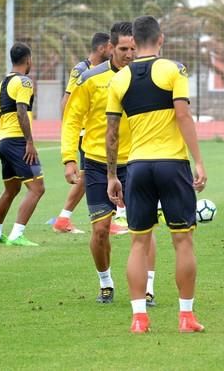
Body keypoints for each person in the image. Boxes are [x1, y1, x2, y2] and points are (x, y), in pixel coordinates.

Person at [106, 15, 207, 333]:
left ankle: (139, 319)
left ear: (134, 43)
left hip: (136, 167)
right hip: (171, 164)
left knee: (138, 243)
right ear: (160, 39)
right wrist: (199, 161)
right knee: (182, 240)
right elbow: (183, 114)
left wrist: (112, 175)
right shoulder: (173, 70)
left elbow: (112, 133)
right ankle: (186, 317)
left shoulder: (119, 79)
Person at [61, 22, 157, 306]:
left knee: (143, 228)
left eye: (133, 48)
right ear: (110, 48)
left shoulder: (145, 75)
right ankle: (106, 282)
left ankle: (148, 287)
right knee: (100, 230)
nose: (129, 54)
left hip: (138, 161)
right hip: (96, 164)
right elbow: (72, 120)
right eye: (124, 49)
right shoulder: (91, 78)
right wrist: (69, 159)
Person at [0, 42, 45, 246]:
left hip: (1, 139)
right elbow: (21, 110)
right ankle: (16, 234)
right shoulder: (24, 81)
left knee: (11, 190)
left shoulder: (2, 83)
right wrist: (29, 141)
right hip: (17, 140)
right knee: (37, 188)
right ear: (28, 60)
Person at [53, 32, 111, 234]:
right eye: (112, 48)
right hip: (85, 134)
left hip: (95, 132)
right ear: (103, 48)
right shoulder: (82, 70)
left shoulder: (106, 71)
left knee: (90, 176)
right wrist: (70, 128)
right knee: (92, 175)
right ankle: (66, 218)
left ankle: (64, 219)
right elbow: (67, 101)